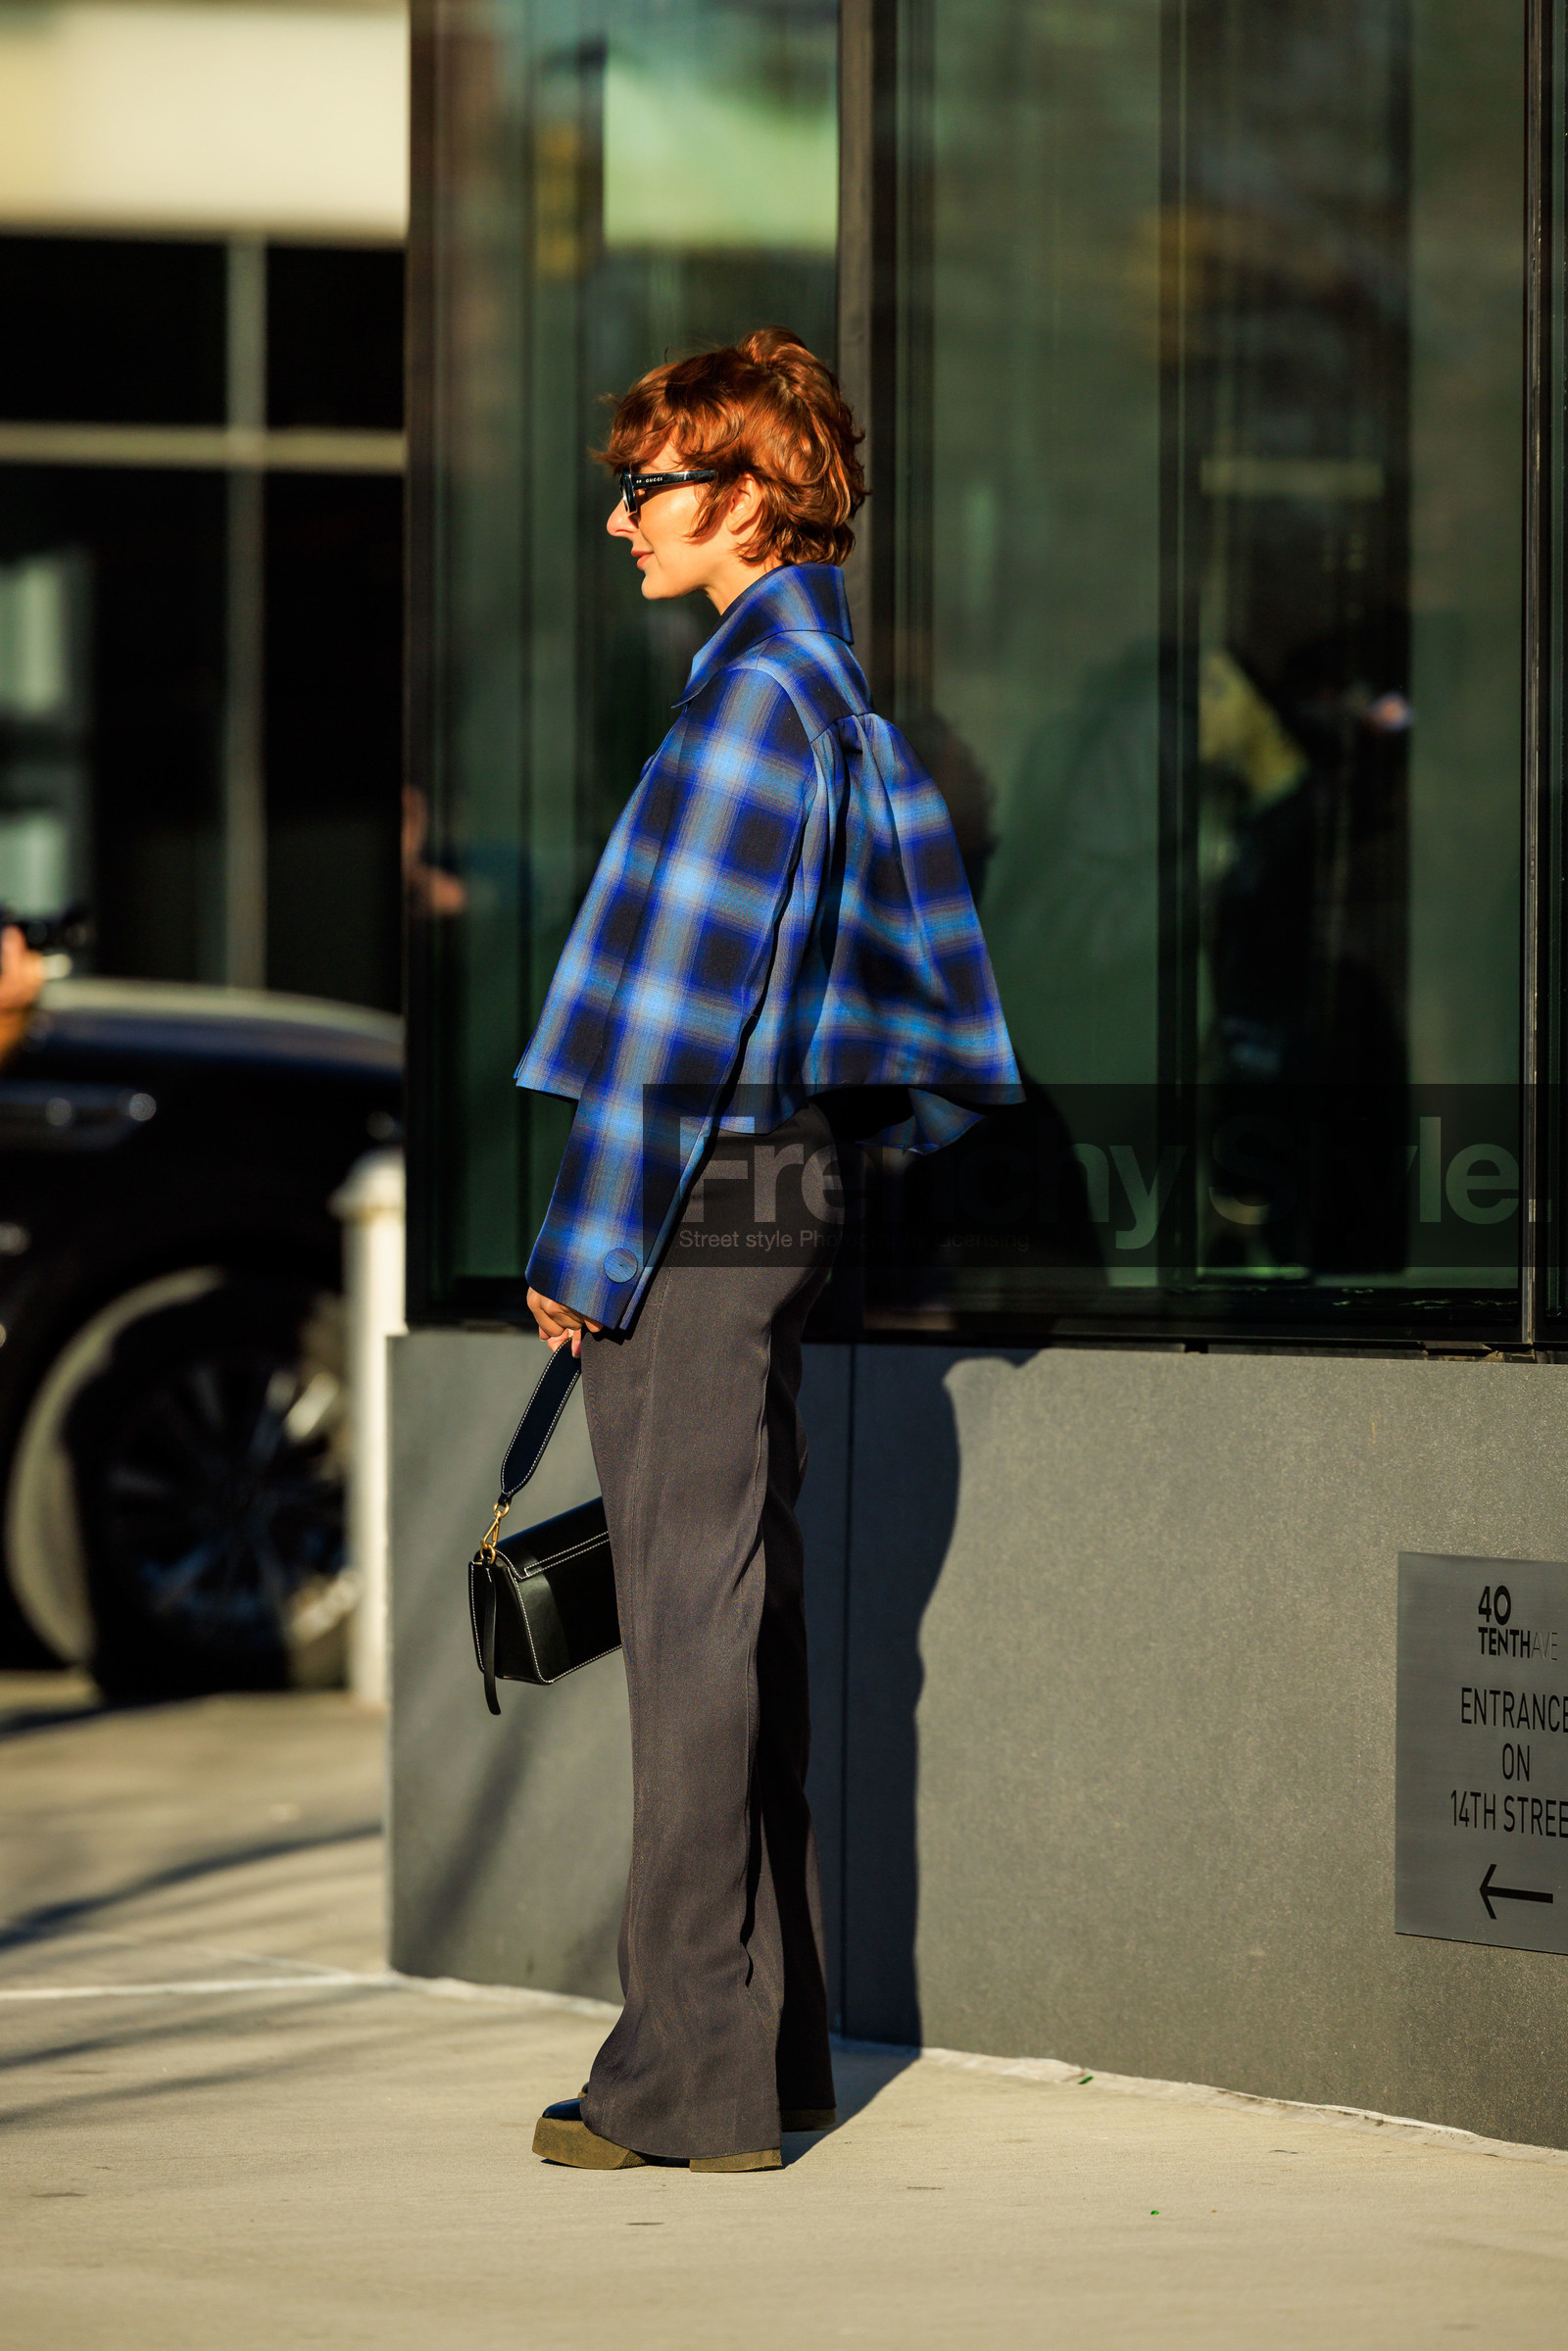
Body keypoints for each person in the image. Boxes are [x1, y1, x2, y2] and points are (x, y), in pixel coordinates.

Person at [514, 327, 1021, 2174]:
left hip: (700, 1207)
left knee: (691, 1629)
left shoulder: (750, 707)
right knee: (744, 1612)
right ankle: (773, 2049)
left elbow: (674, 1019)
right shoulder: (830, 698)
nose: (623, 519)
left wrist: (586, 1241)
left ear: (741, 498)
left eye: (649, 488)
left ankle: (689, 2081)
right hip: (775, 1198)